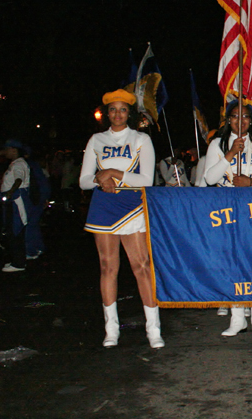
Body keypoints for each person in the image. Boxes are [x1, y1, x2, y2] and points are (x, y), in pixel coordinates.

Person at [79, 89, 164, 348]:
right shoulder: (96, 139)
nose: (117, 114)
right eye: (113, 109)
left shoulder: (140, 139)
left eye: (123, 109)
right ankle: (111, 329)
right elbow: (84, 181)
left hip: (132, 205)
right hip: (104, 207)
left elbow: (146, 180)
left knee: (142, 266)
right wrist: (100, 179)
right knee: (108, 267)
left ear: (130, 113)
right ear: (107, 114)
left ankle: (153, 329)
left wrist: (113, 172)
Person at [205, 98, 252, 341]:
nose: (241, 121)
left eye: (245, 117)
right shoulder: (217, 144)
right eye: (236, 116)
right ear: (228, 119)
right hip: (227, 211)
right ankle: (237, 319)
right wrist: (228, 155)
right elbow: (209, 178)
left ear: (251, 121)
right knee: (232, 264)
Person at [0, 139, 31, 272]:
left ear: (14, 150)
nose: (5, 152)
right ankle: (16, 260)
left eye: (7, 149)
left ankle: (18, 263)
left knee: (16, 230)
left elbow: (18, 180)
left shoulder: (19, 164)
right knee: (12, 230)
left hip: (16, 201)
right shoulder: (15, 163)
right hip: (14, 200)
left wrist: (10, 193)